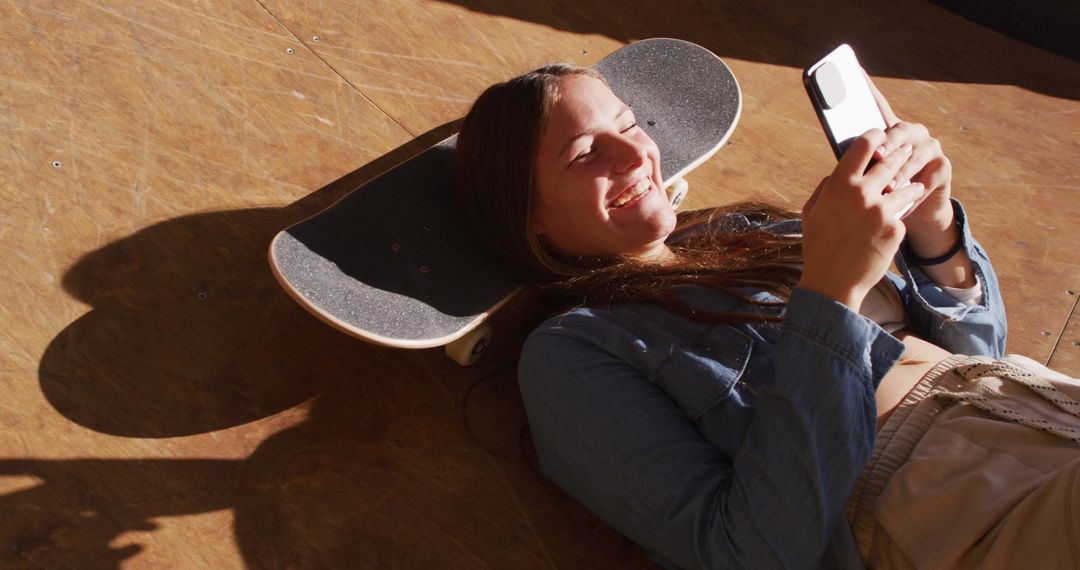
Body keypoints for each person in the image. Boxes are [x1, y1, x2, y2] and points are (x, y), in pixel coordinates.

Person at [454, 63, 1080, 569]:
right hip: (942, 502)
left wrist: (935, 230)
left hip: (1031, 405)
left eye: (629, 123)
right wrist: (832, 295)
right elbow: (750, 552)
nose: (633, 152)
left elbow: (977, 347)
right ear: (528, 215)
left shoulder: (748, 231)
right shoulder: (575, 350)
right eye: (585, 152)